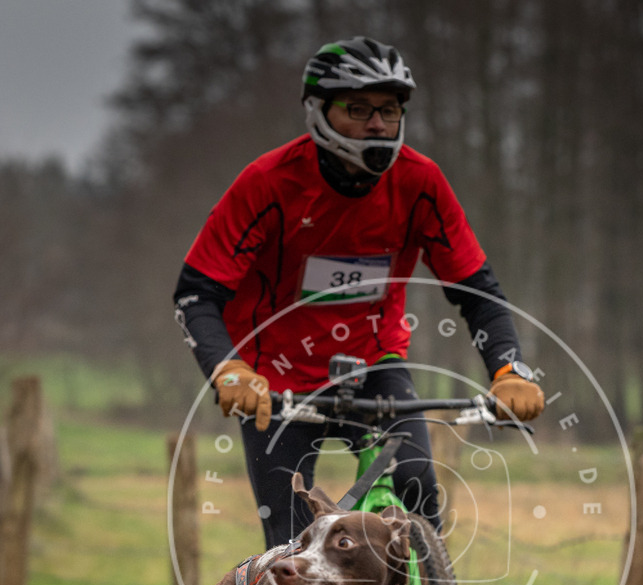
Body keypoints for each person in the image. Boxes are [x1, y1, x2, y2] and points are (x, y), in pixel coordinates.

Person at [174, 36, 544, 548]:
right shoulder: (268, 183)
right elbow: (197, 293)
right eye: (359, 109)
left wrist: (510, 369)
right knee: (291, 538)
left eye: (389, 111)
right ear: (319, 112)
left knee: (416, 485)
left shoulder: (420, 182)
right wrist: (228, 369)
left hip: (374, 363)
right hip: (275, 379)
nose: (377, 124)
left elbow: (477, 291)